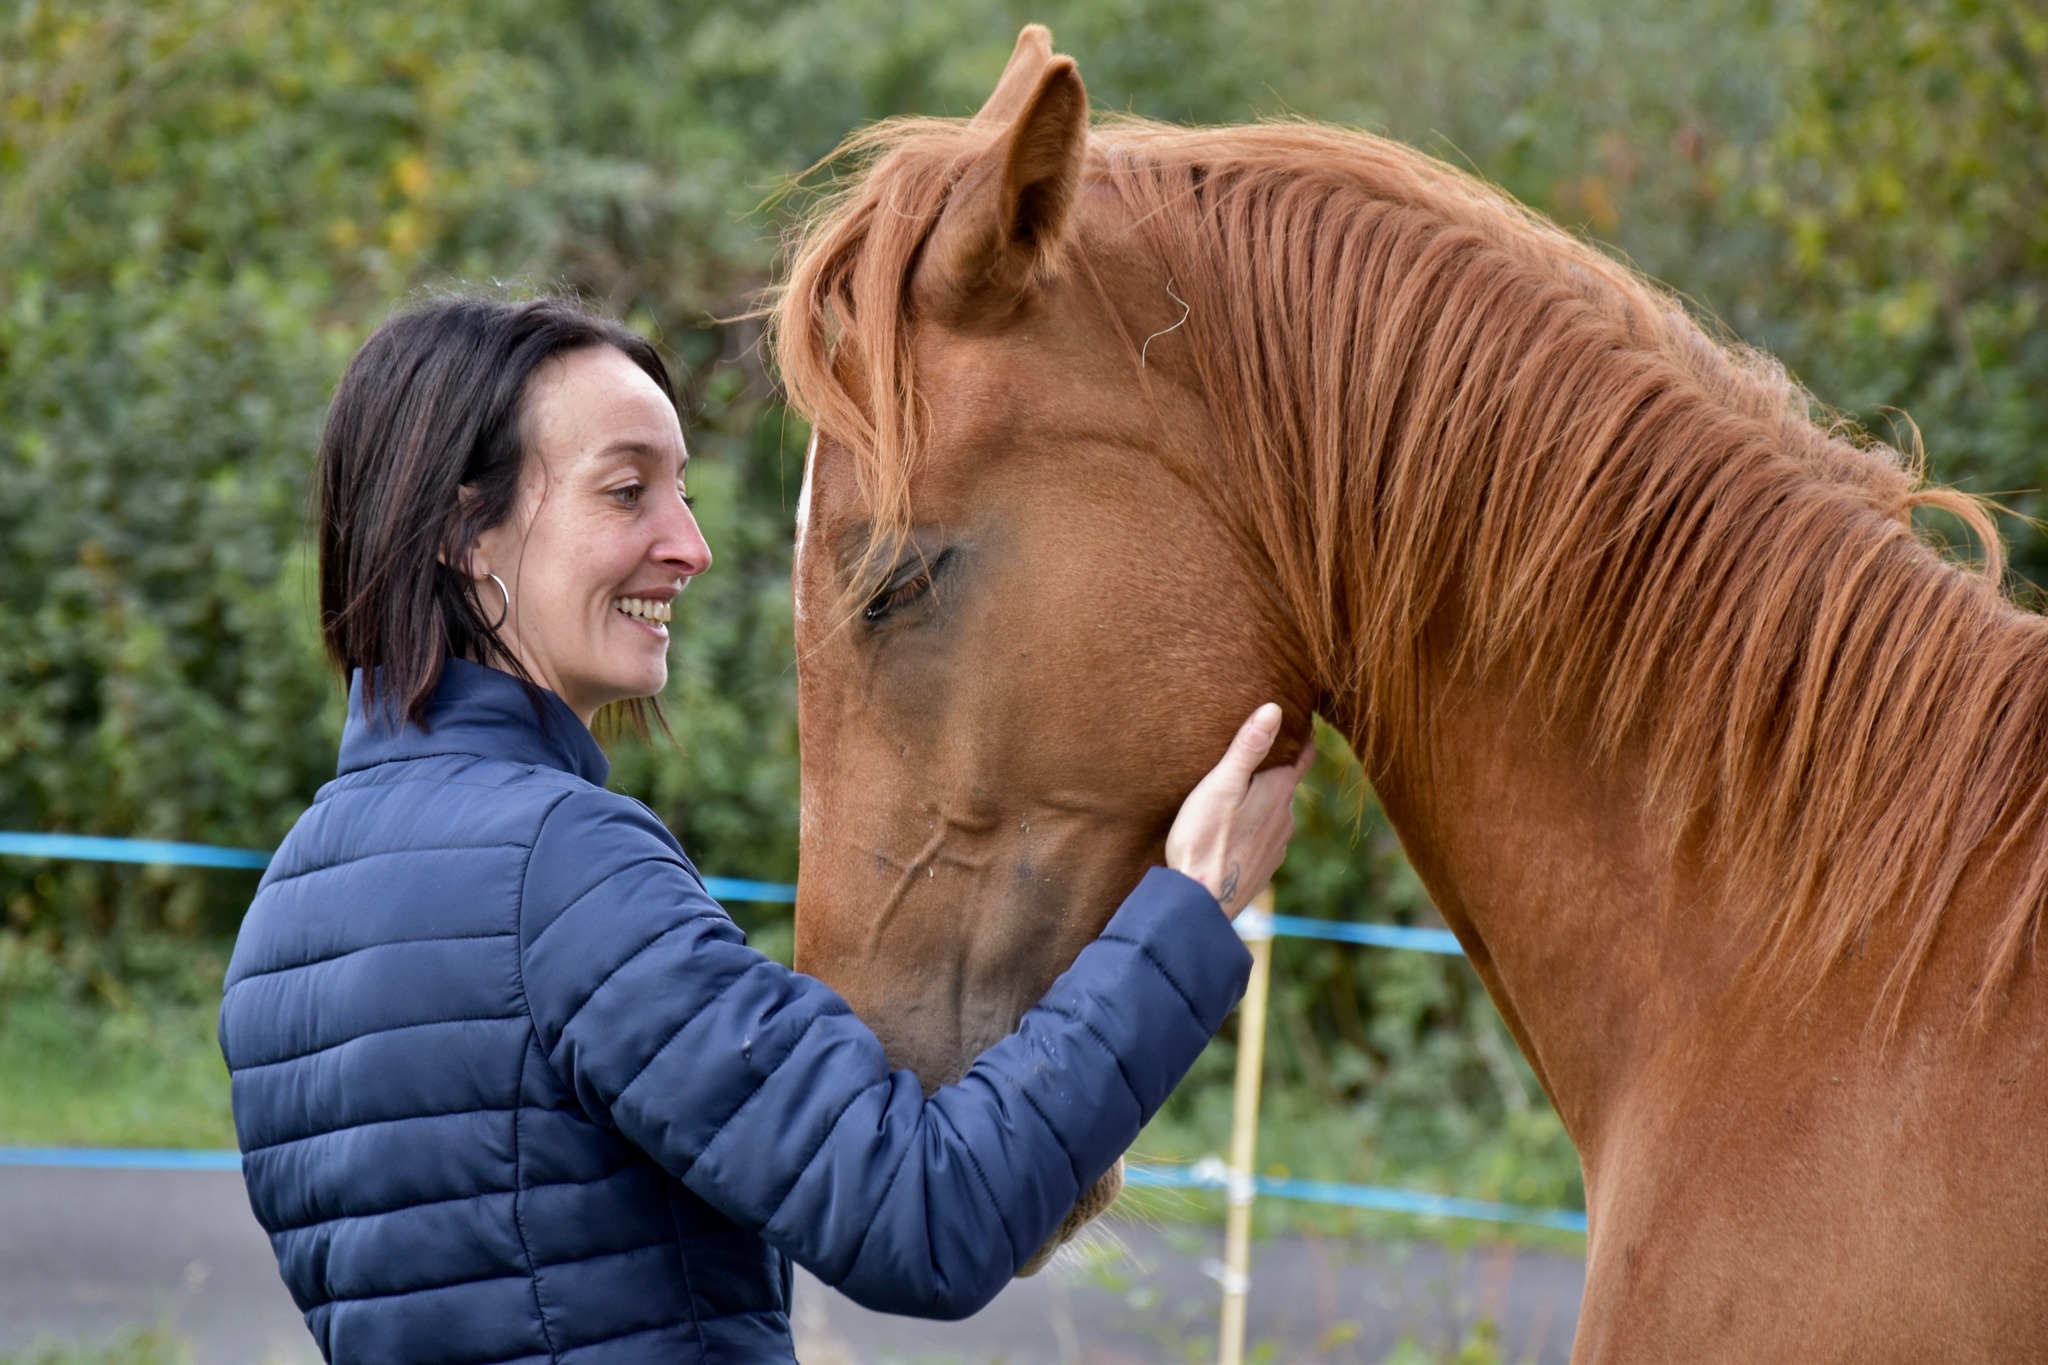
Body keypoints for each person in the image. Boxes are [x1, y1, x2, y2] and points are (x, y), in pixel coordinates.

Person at [218, 294, 1313, 1364]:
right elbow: (926, 1219)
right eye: (626, 492)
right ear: (465, 529)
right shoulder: (555, 870)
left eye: (679, 492)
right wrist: (1183, 910)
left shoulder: (285, 916)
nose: (688, 546)